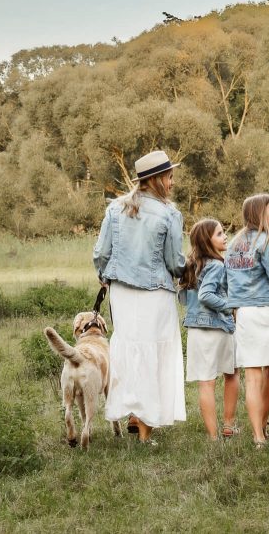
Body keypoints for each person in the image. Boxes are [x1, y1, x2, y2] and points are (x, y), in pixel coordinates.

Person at [93, 150, 187, 444]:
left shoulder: (115, 209)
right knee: (154, 355)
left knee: (129, 350)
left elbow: (101, 254)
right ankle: (145, 432)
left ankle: (133, 411)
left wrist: (106, 275)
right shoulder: (170, 215)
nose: (173, 182)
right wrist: (189, 269)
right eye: (170, 176)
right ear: (158, 179)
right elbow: (174, 263)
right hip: (155, 293)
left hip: (121, 293)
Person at [225, 193, 269, 448]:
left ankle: (258, 436)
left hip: (244, 313)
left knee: (252, 376)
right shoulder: (266, 240)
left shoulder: (233, 244)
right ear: (260, 214)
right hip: (268, 310)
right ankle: (262, 427)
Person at [179, 218, 239, 441]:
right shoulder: (216, 265)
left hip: (196, 329)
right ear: (207, 241)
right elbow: (206, 296)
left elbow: (185, 297)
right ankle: (228, 425)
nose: (225, 237)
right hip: (218, 327)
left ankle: (213, 436)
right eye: (220, 234)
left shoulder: (193, 264)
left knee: (206, 382)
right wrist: (230, 306)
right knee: (232, 374)